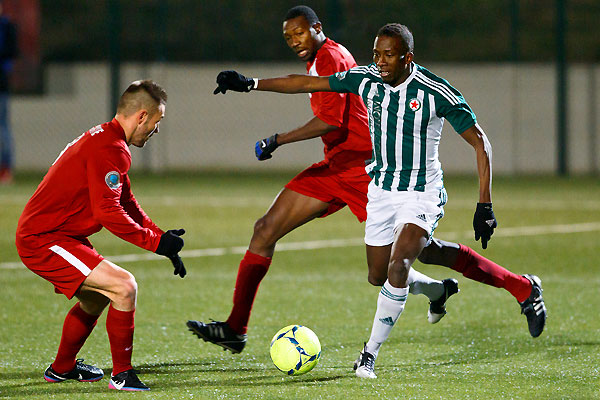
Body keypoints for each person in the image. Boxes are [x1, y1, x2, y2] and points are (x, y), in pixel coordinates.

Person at [188, 7, 546, 359]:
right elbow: (306, 86)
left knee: (416, 253)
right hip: (336, 167)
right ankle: (236, 328)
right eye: (288, 36)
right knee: (268, 230)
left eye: (299, 33)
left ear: (316, 28)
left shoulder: (334, 58)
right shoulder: (344, 67)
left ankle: (516, 286)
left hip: (365, 171)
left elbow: (332, 119)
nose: (294, 41)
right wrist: (250, 84)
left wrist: (277, 139)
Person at [16, 80, 187, 391]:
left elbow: (126, 202)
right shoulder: (109, 148)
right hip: (44, 238)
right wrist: (156, 242)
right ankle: (122, 375)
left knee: (96, 298)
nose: (157, 130)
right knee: (124, 287)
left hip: (61, 235)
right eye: (157, 122)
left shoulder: (107, 139)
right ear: (142, 116)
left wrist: (162, 238)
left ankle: (62, 368)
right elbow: (108, 212)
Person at [0, 1, 17, 184]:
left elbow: (11, 55)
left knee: (2, 128)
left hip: (1, 87)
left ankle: (5, 169)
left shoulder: (7, 27)